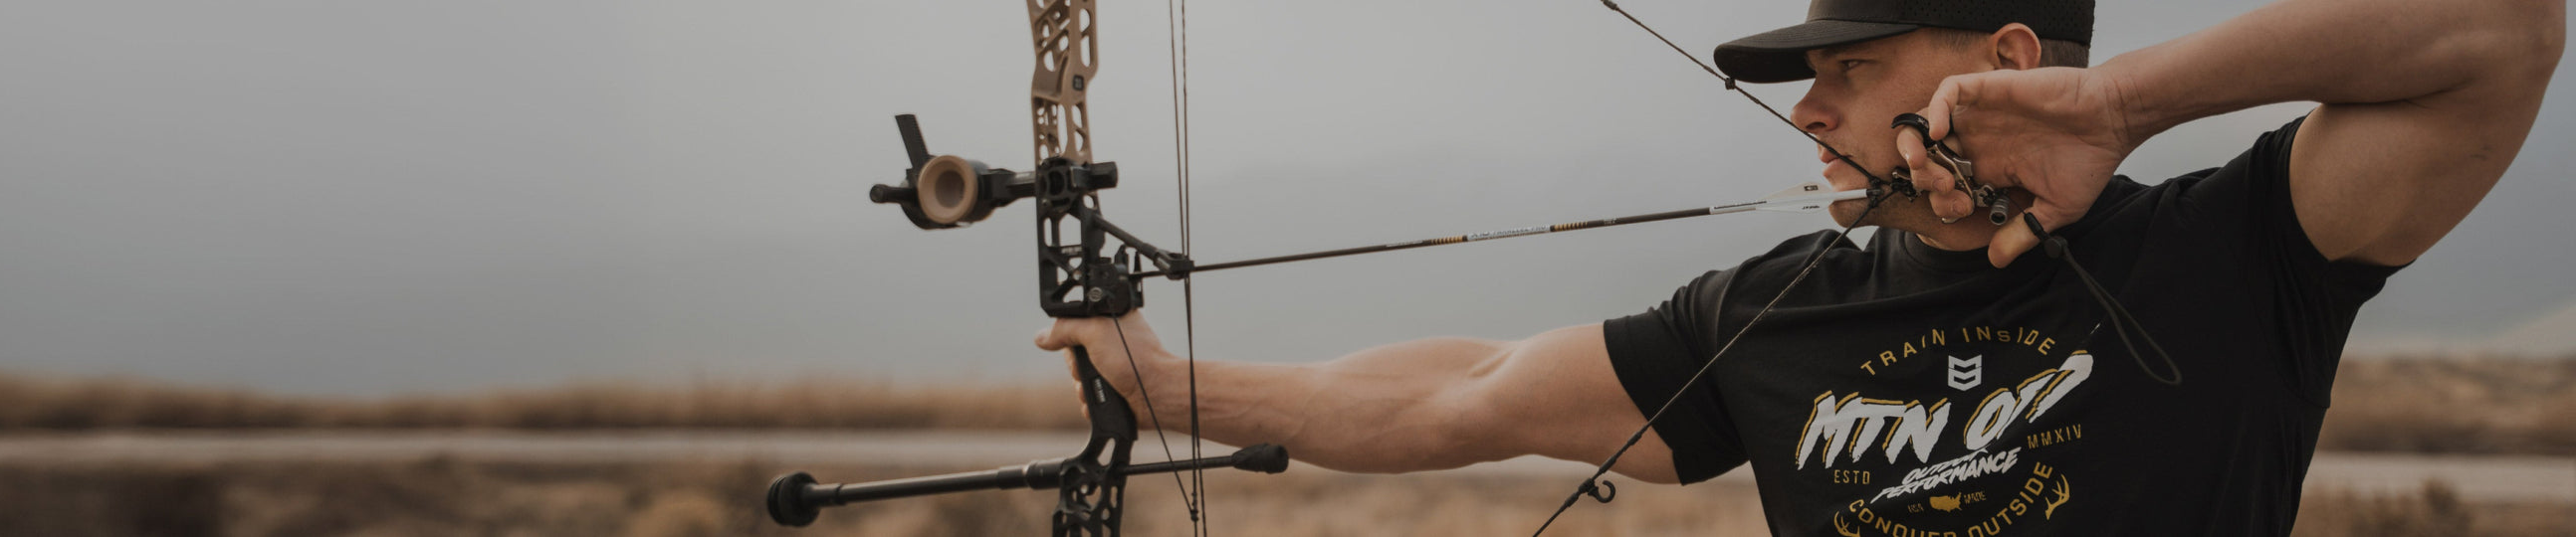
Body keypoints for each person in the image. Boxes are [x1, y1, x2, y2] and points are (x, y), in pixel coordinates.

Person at [1034, 0, 2564, 533]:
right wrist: (1169, 386)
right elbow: (1471, 397)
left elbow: (2501, 32)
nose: (1809, 108)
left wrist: (2116, 108)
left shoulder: (2242, 252)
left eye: (1850, 63)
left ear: (2007, 62)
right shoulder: (1775, 311)